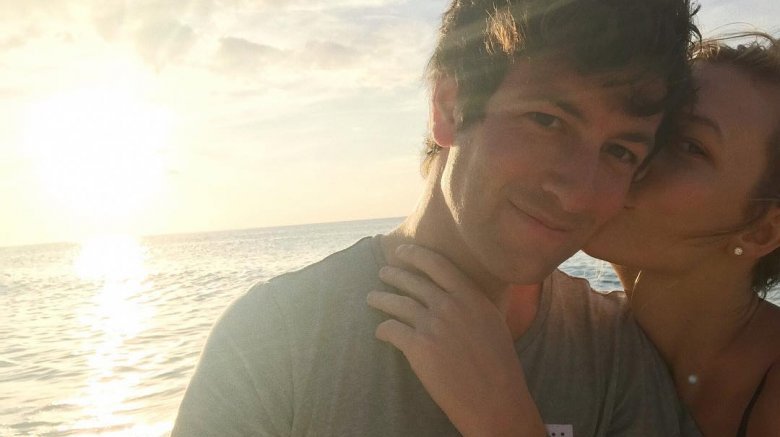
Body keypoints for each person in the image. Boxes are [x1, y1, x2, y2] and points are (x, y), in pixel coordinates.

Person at [171, 0, 700, 435]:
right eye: (546, 120)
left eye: (620, 152)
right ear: (449, 106)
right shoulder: (275, 340)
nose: (577, 193)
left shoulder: (613, 352)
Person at [369, 33, 780, 436]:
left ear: (763, 230)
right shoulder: (601, 337)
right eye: (648, 130)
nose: (631, 159)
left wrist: (504, 420)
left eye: (689, 146)